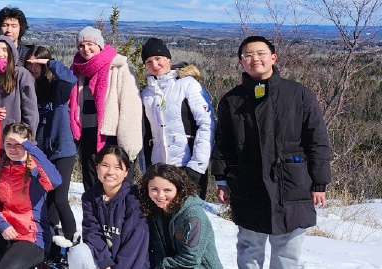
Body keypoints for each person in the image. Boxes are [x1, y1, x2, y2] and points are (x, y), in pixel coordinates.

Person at [212, 36, 332, 269]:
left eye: (260, 53)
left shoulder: (298, 94)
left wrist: (319, 183)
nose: (254, 59)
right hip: (248, 184)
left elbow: (317, 140)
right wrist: (221, 179)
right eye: (248, 55)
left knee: (288, 254)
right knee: (249, 249)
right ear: (241, 62)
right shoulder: (231, 100)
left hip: (292, 183)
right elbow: (223, 143)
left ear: (273, 58)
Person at [0, 123, 62, 269]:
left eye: (18, 144)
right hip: (8, 232)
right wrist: (3, 226)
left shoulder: (37, 171)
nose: (13, 149)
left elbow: (55, 180)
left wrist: (31, 147)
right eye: (9, 144)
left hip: (32, 238)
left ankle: (34, 264)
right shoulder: (0, 170)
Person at [137, 38, 214, 199]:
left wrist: (198, 165)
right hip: (159, 168)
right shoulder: (146, 95)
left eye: (158, 59)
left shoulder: (188, 85)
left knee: (189, 217)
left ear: (168, 59)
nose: (155, 65)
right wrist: (146, 169)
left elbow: (206, 124)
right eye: (149, 61)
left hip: (187, 164)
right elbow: (145, 134)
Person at [23, 46, 82, 255]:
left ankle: (74, 245)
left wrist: (49, 63)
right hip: (43, 152)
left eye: (37, 64)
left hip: (63, 151)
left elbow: (71, 80)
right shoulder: (29, 87)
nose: (33, 68)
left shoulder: (58, 87)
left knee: (59, 199)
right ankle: (52, 249)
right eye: (29, 63)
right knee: (46, 200)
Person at [71, 27, 143, 192]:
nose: (85, 49)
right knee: (92, 190)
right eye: (81, 45)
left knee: (117, 192)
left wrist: (129, 149)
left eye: (90, 44)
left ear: (100, 45)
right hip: (87, 137)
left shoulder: (119, 68)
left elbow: (130, 109)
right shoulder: (77, 69)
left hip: (112, 139)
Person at [67, 145, 149, 269]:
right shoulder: (91, 197)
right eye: (105, 165)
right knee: (78, 252)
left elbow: (134, 245)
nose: (110, 172)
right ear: (97, 168)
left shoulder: (134, 199)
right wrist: (105, 263)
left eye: (117, 167)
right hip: (105, 263)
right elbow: (92, 232)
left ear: (126, 172)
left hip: (132, 264)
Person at [142, 164, 224, 269]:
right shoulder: (156, 212)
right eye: (154, 189)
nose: (160, 195)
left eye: (167, 190)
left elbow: (190, 258)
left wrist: (161, 267)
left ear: (179, 189)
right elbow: (158, 248)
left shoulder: (194, 215)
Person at [0, 36, 40, 130]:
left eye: (5, 50)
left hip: (14, 136)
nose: (0, 54)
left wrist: (27, 138)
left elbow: (30, 111)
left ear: (11, 53)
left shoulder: (21, 74)